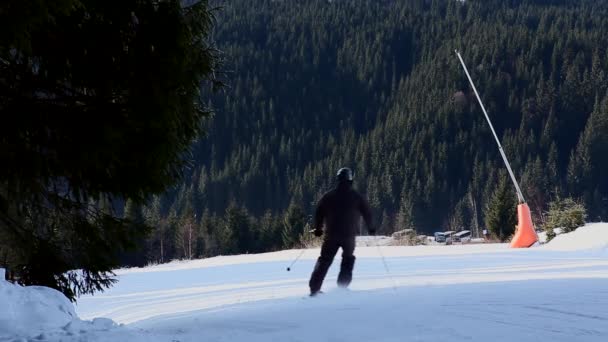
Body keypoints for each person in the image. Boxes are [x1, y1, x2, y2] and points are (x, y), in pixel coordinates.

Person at [308, 167, 375, 296]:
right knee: (348, 259)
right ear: (350, 179)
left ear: (338, 179)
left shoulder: (328, 196)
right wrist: (371, 228)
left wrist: (318, 229)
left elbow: (319, 213)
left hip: (331, 236)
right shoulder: (357, 197)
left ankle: (314, 289)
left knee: (324, 261)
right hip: (349, 236)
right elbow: (367, 213)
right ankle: (342, 288)